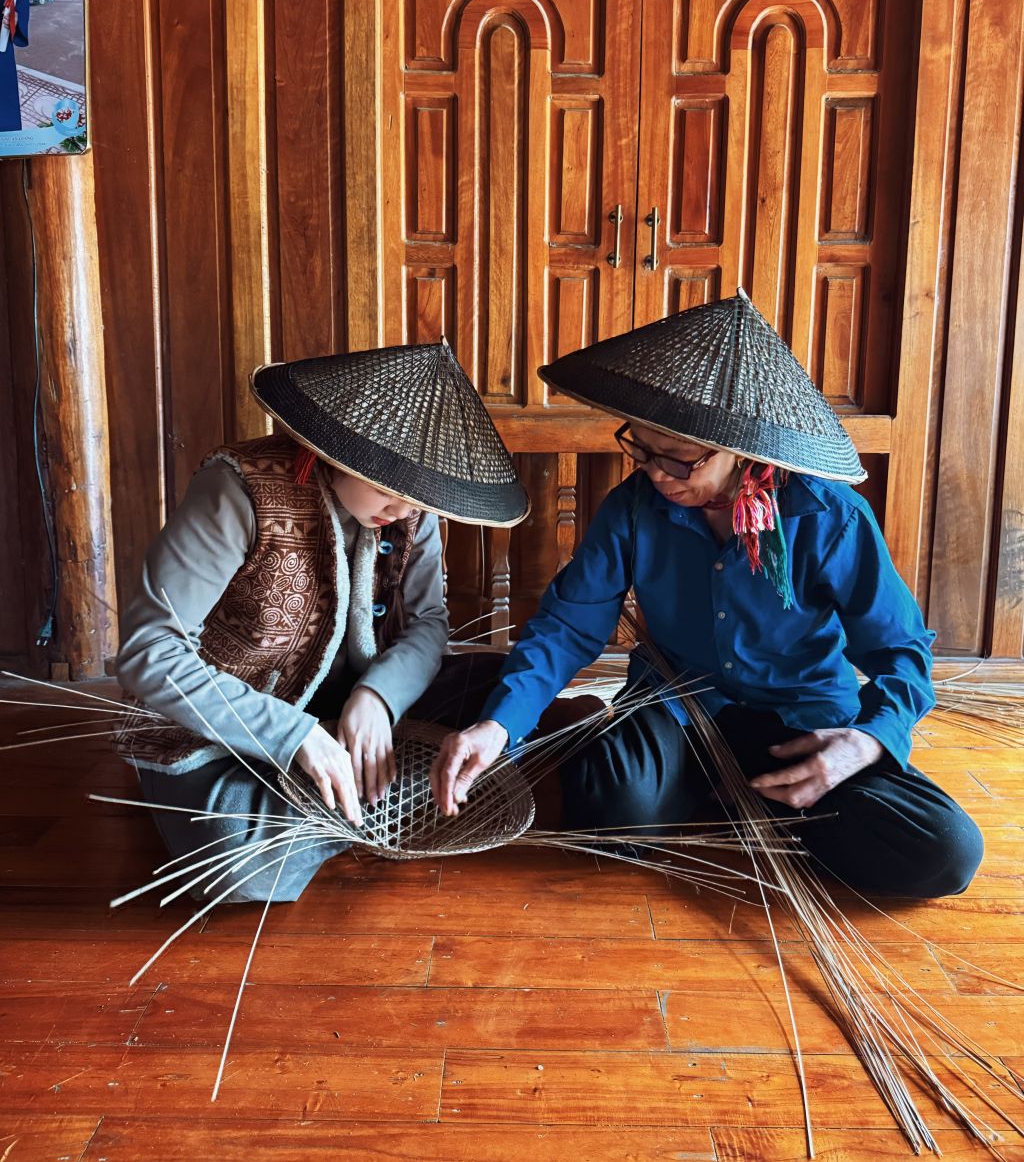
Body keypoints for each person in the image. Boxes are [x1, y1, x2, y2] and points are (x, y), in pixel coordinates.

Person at [430, 291, 984, 899]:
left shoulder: (829, 516)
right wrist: (498, 725)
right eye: (640, 447)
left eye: (679, 458)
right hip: (676, 706)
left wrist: (868, 741)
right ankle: (737, 798)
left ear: (743, 450)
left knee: (943, 851)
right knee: (609, 808)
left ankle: (736, 791)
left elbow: (901, 651)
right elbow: (568, 626)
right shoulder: (634, 509)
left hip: (799, 719)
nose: (656, 472)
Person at [116, 341, 528, 902]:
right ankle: (383, 795)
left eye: (418, 499)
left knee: (505, 691)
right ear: (338, 451)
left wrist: (378, 698)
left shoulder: (412, 509)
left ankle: (347, 793)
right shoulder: (235, 491)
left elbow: (428, 623)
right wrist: (295, 734)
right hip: (231, 722)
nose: (404, 512)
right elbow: (150, 653)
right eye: (390, 489)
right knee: (236, 858)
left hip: (350, 702)